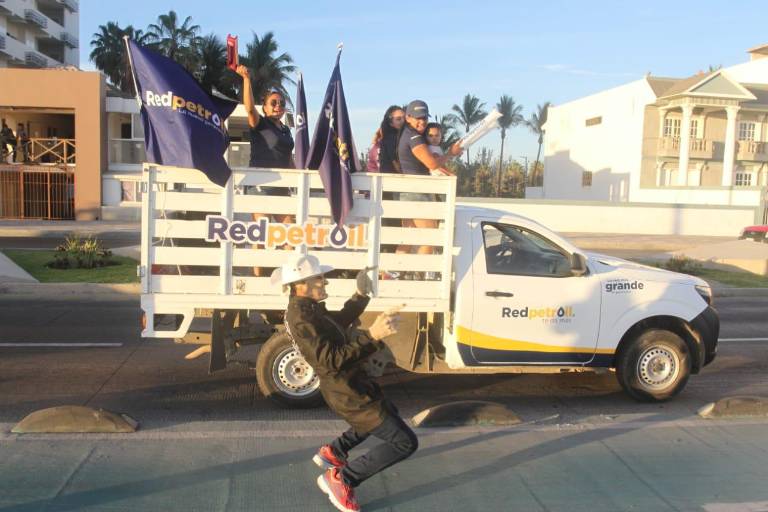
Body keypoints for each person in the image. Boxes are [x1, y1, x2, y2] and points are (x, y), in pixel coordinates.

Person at [275, 254, 417, 512]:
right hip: (346, 391)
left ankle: (334, 452)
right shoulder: (302, 317)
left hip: (350, 384)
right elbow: (330, 360)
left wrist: (360, 296)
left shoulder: (307, 308)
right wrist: (373, 335)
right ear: (302, 283)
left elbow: (337, 323)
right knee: (405, 442)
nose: (325, 283)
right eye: (320, 278)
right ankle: (342, 479)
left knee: (384, 414)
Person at [396, 100, 462, 257]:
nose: (422, 122)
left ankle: (391, 275)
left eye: (424, 118)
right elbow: (432, 164)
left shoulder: (407, 134)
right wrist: (451, 153)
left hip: (408, 192)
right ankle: (419, 275)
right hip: (416, 193)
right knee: (431, 237)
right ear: (408, 117)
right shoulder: (414, 138)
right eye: (418, 118)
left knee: (408, 238)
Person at [377, 105, 405, 173]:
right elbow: (395, 163)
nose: (403, 121)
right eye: (398, 119)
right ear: (391, 123)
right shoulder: (391, 138)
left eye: (404, 117)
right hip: (392, 179)